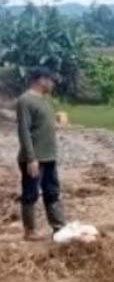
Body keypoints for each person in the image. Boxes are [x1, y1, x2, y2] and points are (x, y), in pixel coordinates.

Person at [16, 67, 67, 240]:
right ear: (41, 80)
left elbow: (44, 124)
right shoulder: (25, 101)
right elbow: (24, 131)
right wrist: (31, 158)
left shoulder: (45, 100)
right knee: (30, 194)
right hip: (35, 158)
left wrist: (56, 124)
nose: (53, 84)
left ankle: (58, 226)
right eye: (51, 80)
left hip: (49, 155)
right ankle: (29, 231)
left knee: (52, 191)